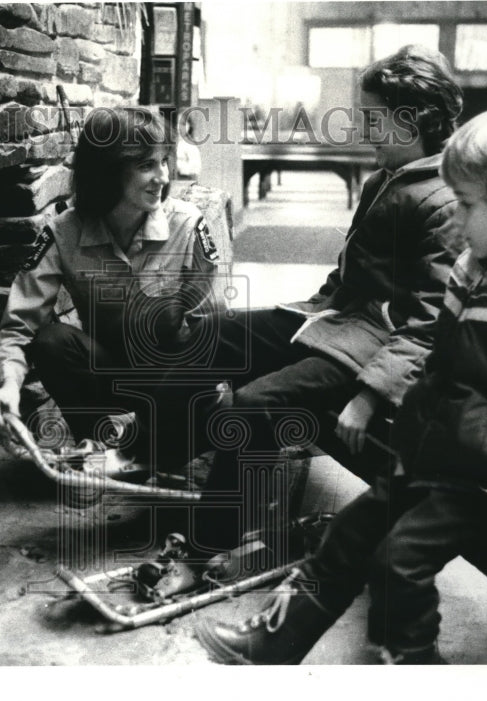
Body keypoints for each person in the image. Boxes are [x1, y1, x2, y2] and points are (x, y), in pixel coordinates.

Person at [194, 96, 487, 665]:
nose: (454, 219)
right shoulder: (477, 263)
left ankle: (410, 663)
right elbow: (443, 361)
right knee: (349, 533)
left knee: (398, 560)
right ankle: (277, 639)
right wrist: (412, 438)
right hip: (441, 452)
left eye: (465, 204)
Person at [176, 45, 466, 564]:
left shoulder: (445, 202)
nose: (362, 129)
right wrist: (301, 311)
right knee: (207, 333)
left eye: (373, 119)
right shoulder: (386, 179)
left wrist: (372, 395)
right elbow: (348, 273)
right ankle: (165, 453)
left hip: (371, 349)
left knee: (254, 404)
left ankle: (208, 546)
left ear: (416, 119)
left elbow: (429, 323)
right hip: (336, 320)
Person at [0, 106, 222, 471]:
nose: (162, 177)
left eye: (164, 161)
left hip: (173, 383)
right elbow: (19, 328)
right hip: (109, 374)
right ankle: (98, 446)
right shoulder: (63, 233)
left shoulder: (187, 227)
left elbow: (213, 334)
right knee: (52, 342)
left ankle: (147, 447)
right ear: (108, 173)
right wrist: (9, 385)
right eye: (146, 166)